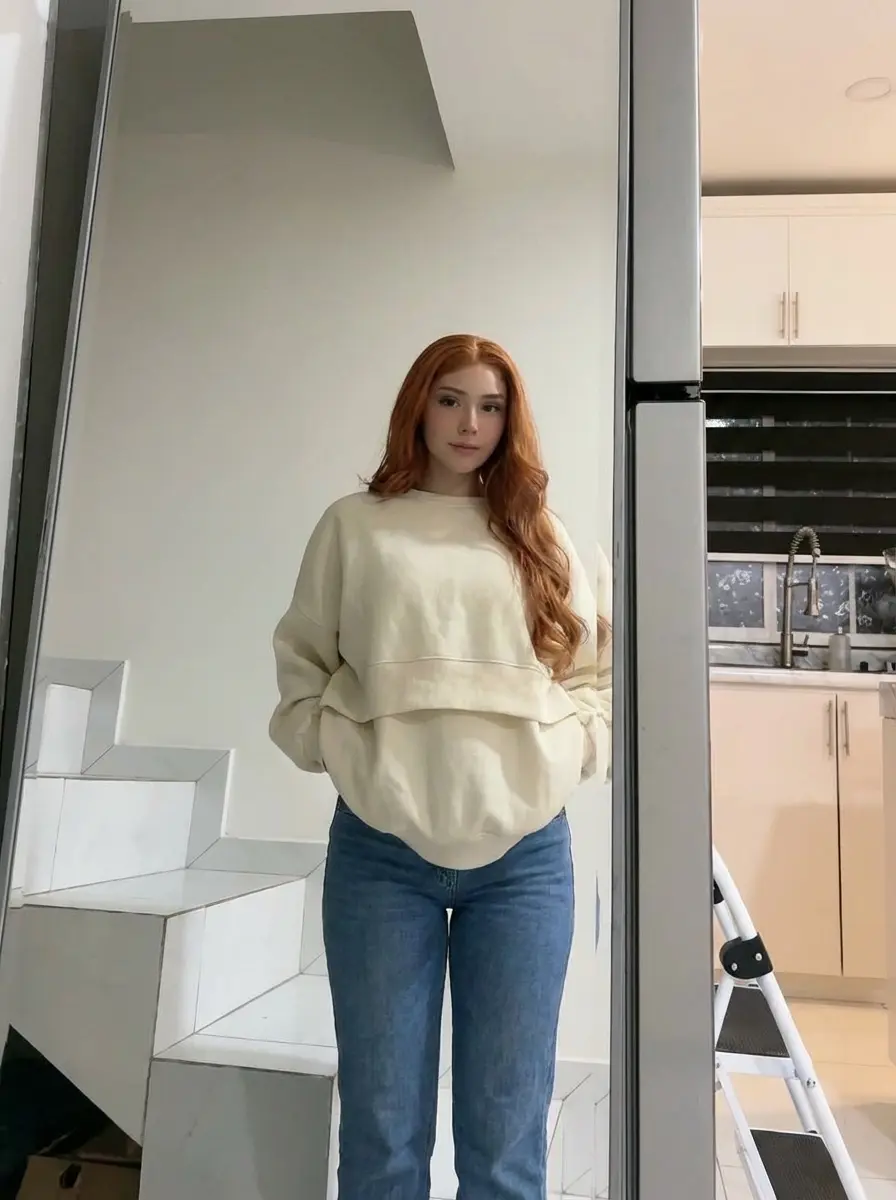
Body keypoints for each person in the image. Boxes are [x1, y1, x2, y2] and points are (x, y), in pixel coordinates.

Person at [269, 333, 612, 1200]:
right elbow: (304, 656)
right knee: (383, 1132)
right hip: (381, 855)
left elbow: (589, 674)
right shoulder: (355, 526)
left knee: (507, 1137)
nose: (469, 423)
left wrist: (578, 747)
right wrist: (326, 742)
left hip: (524, 860)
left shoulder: (540, 533)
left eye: (491, 406)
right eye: (451, 399)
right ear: (417, 406)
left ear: (510, 419)